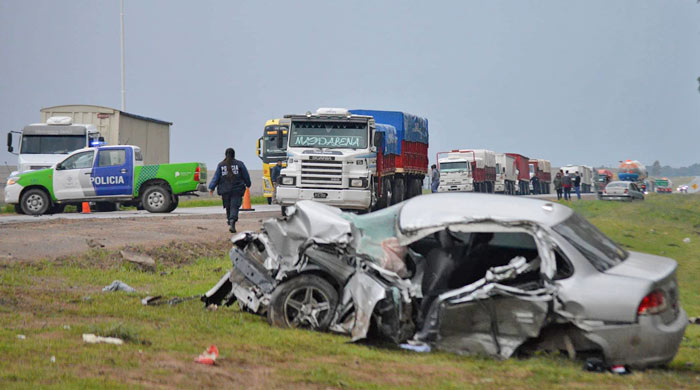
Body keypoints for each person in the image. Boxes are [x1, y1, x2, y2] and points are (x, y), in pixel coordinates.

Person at [208, 148, 251, 233]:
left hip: (225, 190)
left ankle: (230, 220)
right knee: (234, 207)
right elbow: (246, 175)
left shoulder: (221, 165)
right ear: (234, 154)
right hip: (237, 189)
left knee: (228, 207)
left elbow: (216, 177)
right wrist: (248, 184)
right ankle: (232, 221)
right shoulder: (240, 164)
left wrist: (211, 187)